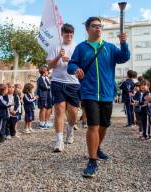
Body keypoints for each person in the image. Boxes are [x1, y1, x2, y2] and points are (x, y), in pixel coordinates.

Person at [67, 16, 130, 178]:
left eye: (100, 26)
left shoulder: (109, 47)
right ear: (87, 29)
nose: (98, 28)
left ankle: (97, 147)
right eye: (95, 26)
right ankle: (92, 160)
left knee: (104, 125)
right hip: (89, 92)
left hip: (107, 93)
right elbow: (71, 65)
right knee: (93, 126)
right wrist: (75, 69)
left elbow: (124, 57)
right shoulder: (81, 48)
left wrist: (124, 43)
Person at [47, 23, 80, 152]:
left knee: (73, 113)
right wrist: (59, 56)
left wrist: (70, 61)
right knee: (59, 110)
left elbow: (81, 64)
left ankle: (70, 129)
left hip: (74, 83)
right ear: (62, 34)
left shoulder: (77, 47)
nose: (69, 35)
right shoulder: (56, 47)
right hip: (57, 81)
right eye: (66, 33)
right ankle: (59, 140)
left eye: (71, 33)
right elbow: (49, 66)